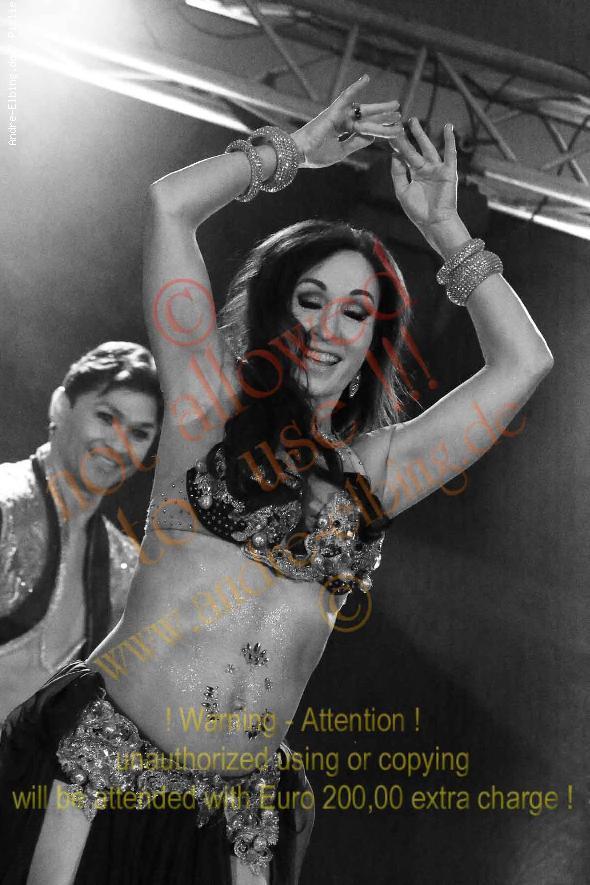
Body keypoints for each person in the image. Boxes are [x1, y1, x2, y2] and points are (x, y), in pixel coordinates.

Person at [0, 76, 553, 885]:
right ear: (275, 311)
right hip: (101, 778)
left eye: (355, 311)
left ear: (374, 338)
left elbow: (525, 362)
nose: (328, 327)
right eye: (310, 300)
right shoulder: (204, 406)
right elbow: (168, 205)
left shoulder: (379, 471)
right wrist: (290, 153)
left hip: (236, 825)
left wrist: (444, 229)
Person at [0, 342, 162, 722]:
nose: (119, 445)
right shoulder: (5, 507)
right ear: (61, 406)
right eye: (106, 417)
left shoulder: (126, 567)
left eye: (139, 434)